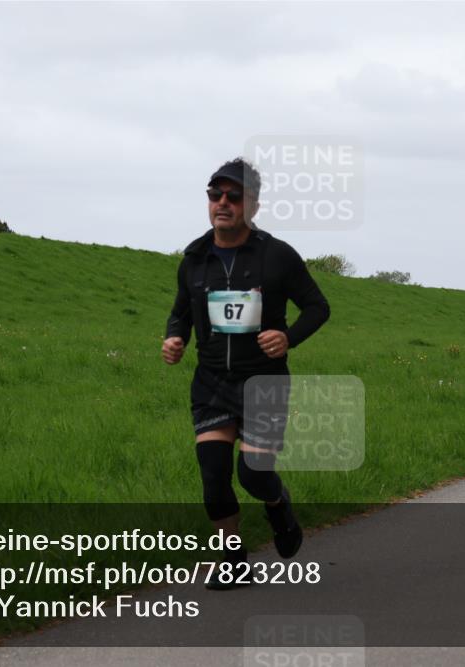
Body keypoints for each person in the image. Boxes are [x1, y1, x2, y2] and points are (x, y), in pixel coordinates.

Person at [162, 158, 330, 589]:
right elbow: (181, 313)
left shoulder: (277, 256)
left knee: (253, 474)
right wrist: (174, 338)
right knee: (214, 476)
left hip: (265, 382)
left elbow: (318, 307)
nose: (223, 203)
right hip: (212, 381)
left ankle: (278, 504)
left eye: (233, 196)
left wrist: (288, 338)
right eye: (215, 195)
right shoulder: (195, 259)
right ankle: (233, 559)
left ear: (252, 204)